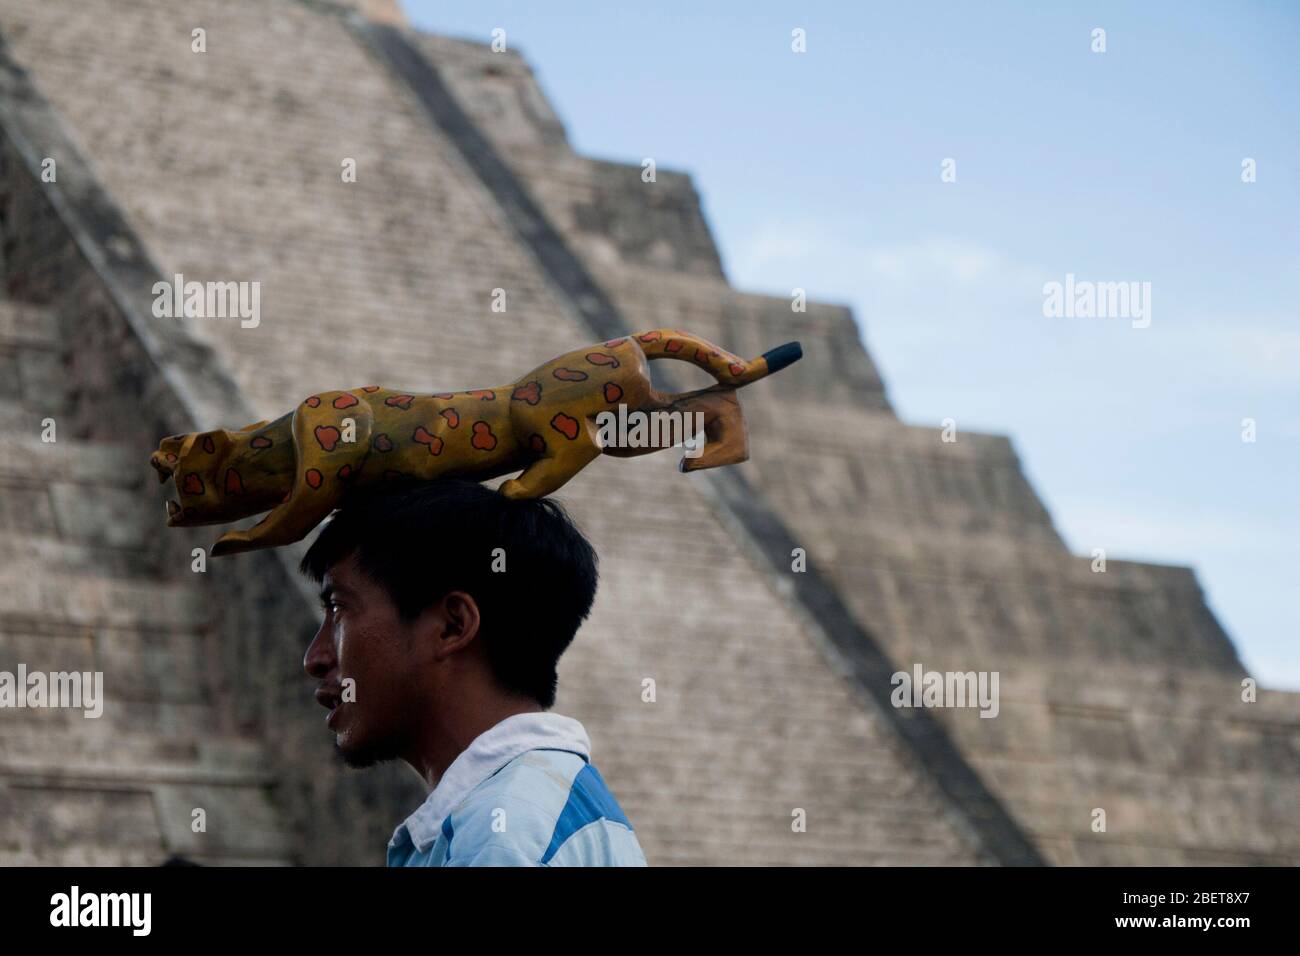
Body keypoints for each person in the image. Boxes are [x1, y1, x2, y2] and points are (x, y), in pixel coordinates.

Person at [300, 479, 646, 867]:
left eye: (338, 608)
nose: (315, 657)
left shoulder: (503, 836)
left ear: (452, 626)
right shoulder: (551, 810)